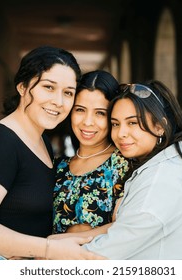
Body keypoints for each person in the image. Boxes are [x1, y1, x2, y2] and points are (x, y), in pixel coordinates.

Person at [0, 46, 104, 260]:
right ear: (23, 87)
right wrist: (48, 248)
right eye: (48, 87)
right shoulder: (1, 143)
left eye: (68, 93)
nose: (59, 102)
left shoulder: (42, 140)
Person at [83, 80, 182, 259]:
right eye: (116, 124)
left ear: (159, 127)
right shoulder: (164, 164)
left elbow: (99, 256)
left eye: (133, 123)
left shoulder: (161, 180)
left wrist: (45, 249)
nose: (121, 133)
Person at [52, 70, 129, 235]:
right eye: (80, 110)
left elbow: (127, 228)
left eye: (100, 113)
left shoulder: (124, 165)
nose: (87, 122)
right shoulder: (57, 168)